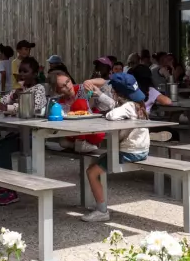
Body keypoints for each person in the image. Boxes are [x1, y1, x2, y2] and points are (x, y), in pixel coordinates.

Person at [81, 73, 151, 224]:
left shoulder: (128, 107)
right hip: (141, 150)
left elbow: (112, 114)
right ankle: (99, 203)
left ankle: (102, 211)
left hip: (130, 152)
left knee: (91, 171)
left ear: (117, 92)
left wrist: (105, 101)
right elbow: (115, 107)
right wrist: (100, 95)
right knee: (97, 161)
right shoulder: (138, 105)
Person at [0, 57, 48, 206]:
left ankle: (11, 191)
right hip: (19, 132)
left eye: (25, 71)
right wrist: (10, 98)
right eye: (20, 71)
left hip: (33, 134)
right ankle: (3, 183)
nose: (21, 74)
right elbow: (1, 103)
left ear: (34, 74)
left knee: (3, 149)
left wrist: (9, 107)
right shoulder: (18, 90)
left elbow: (34, 108)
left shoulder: (38, 89)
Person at [47, 70, 111, 154]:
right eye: (63, 86)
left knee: (79, 103)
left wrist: (90, 81)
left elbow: (104, 82)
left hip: (90, 130)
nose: (68, 86)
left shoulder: (82, 89)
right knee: (63, 141)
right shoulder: (59, 102)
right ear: (58, 91)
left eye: (68, 82)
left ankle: (78, 145)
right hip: (73, 132)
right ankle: (80, 145)